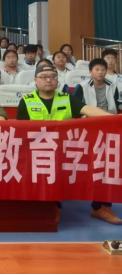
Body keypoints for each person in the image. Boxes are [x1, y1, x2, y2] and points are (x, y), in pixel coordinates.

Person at [17, 64, 120, 225]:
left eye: (52, 77)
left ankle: (100, 207)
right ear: (35, 80)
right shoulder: (26, 101)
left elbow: (88, 110)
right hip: (39, 151)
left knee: (102, 158)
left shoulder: (66, 98)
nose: (48, 80)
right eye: (44, 77)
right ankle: (53, 205)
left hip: (66, 150)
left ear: (57, 80)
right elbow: (20, 132)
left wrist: (115, 119)